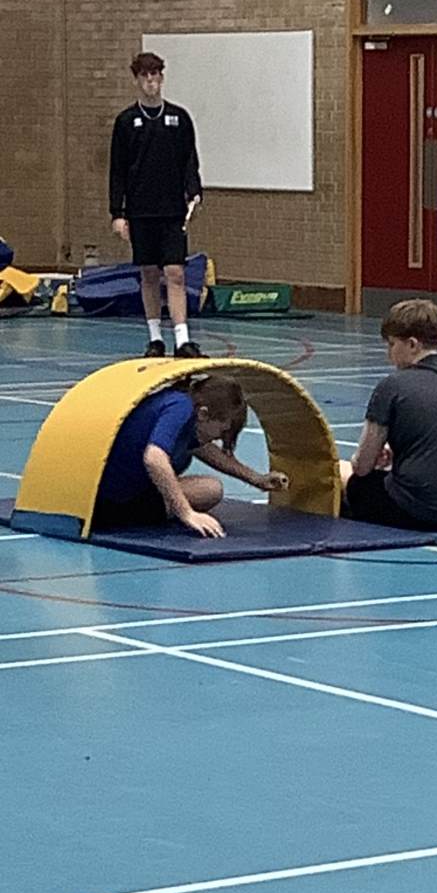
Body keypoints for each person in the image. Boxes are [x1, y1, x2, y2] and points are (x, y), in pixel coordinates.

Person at [342, 299, 437, 531]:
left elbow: (362, 467)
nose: (388, 355)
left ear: (413, 344)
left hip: (418, 510)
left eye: (392, 345)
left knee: (343, 474)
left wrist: (366, 461)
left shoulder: (392, 386)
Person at [92, 374, 288, 538]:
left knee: (211, 489)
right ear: (203, 414)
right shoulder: (180, 407)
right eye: (222, 431)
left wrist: (256, 479)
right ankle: (128, 515)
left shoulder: (187, 413)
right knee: (208, 489)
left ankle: (139, 512)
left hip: (125, 493)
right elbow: (154, 458)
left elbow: (204, 449)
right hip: (109, 502)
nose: (220, 438)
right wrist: (186, 513)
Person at [109, 52, 205, 360]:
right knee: (149, 273)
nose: (150, 82)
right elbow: (118, 170)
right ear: (137, 80)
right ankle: (155, 338)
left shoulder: (179, 118)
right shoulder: (126, 122)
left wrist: (194, 191)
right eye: (145, 76)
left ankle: (182, 339)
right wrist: (118, 213)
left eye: (155, 76)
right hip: (140, 211)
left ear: (162, 78)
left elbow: (189, 161)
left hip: (172, 211)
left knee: (175, 272)